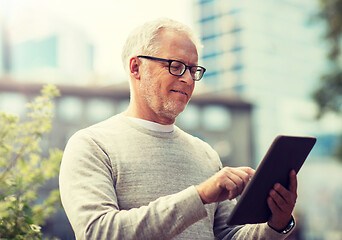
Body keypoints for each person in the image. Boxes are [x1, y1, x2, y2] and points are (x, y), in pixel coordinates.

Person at [59, 18, 297, 239]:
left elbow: (226, 235)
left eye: (193, 70)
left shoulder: (205, 153)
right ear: (135, 68)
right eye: (176, 66)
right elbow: (97, 232)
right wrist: (200, 196)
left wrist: (277, 224)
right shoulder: (91, 145)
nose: (188, 79)